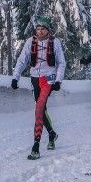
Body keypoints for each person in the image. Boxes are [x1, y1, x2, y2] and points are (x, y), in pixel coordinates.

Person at [10, 17, 66, 160]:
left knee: (39, 107)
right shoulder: (31, 42)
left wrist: (58, 81)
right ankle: (52, 134)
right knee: (41, 109)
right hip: (35, 78)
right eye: (38, 29)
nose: (40, 31)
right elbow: (22, 60)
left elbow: (61, 63)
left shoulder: (55, 42)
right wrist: (15, 77)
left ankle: (36, 146)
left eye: (43, 29)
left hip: (48, 78)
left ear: (48, 30)